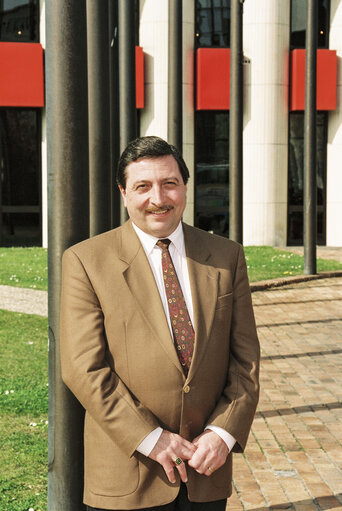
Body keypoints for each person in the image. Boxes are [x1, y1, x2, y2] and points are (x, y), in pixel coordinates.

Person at [60, 136, 260, 511]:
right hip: (129, 471)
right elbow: (83, 368)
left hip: (206, 468)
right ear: (123, 193)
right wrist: (151, 437)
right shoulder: (86, 261)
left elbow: (245, 359)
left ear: (185, 186)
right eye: (142, 186)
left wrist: (223, 433)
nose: (159, 198)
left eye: (169, 183)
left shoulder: (225, 256)